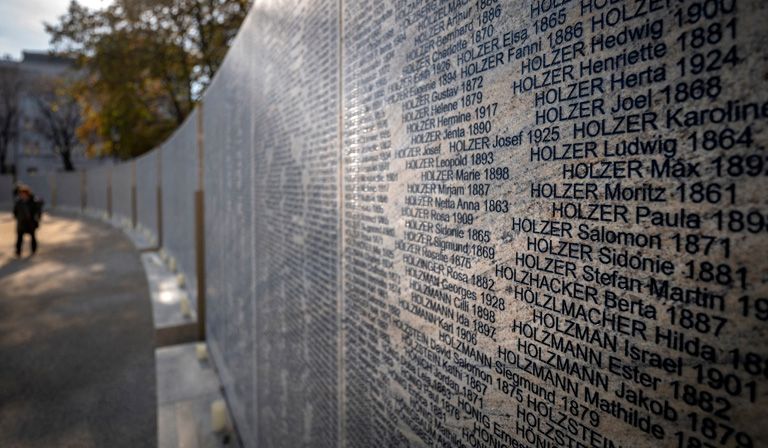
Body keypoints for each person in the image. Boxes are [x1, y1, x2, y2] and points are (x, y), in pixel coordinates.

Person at [13, 185, 43, 257]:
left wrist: (37, 218)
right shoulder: (19, 202)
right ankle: (18, 251)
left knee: (33, 236)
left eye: (24, 194)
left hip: (30, 223)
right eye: (21, 194)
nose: (22, 195)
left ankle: (33, 250)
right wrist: (18, 217)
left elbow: (38, 211)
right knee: (19, 238)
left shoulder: (33, 202)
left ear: (27, 194)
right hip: (21, 223)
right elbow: (15, 211)